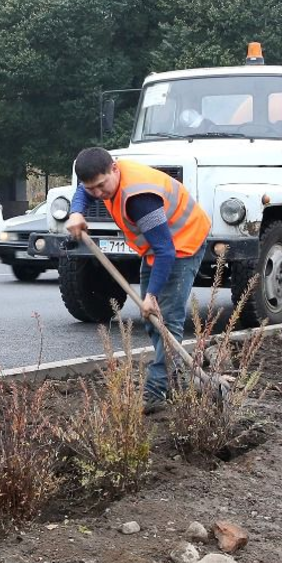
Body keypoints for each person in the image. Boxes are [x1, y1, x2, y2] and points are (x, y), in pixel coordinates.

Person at [63, 146, 212, 412]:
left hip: (182, 244)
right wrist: (77, 212)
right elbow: (84, 191)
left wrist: (151, 296)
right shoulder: (103, 177)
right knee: (154, 321)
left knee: (165, 319)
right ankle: (178, 381)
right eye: (92, 189)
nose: (98, 194)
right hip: (156, 247)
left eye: (101, 186)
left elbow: (166, 251)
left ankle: (155, 393)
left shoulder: (140, 199)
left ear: (114, 169)